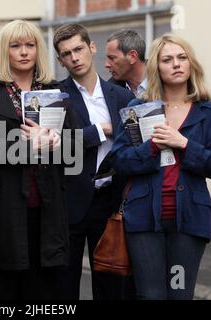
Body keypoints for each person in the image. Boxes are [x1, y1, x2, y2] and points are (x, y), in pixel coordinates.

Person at [111, 34, 211, 300]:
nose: (176, 64)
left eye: (182, 57)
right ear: (157, 67)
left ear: (191, 65)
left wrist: (184, 144)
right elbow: (120, 160)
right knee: (151, 295)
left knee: (179, 293)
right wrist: (152, 147)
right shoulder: (137, 109)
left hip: (188, 221)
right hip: (143, 219)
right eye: (167, 59)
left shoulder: (208, 113)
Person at [0, 20, 74, 300]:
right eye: (16, 46)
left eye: (30, 45)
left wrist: (56, 142)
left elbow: (73, 148)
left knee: (43, 295)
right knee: (0, 293)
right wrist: (28, 145)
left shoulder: (55, 89)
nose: (24, 52)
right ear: (5, 50)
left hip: (48, 211)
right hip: (1, 211)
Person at [53, 23, 135, 300]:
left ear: (92, 47)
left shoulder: (123, 96)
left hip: (110, 202)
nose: (74, 57)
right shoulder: (56, 96)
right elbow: (57, 145)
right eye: (66, 54)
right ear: (60, 60)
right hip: (69, 201)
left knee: (111, 288)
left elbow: (136, 144)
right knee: (64, 289)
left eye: (78, 49)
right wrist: (103, 129)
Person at [105, 29, 147, 98]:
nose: (106, 64)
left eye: (112, 58)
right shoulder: (109, 93)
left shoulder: (164, 82)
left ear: (132, 56)